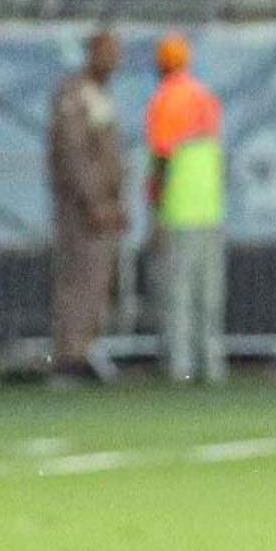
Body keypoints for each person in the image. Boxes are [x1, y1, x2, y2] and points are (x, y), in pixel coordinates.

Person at [144, 35, 227, 383]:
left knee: (178, 291)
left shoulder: (165, 100)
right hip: (210, 207)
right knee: (209, 293)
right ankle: (211, 363)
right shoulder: (205, 97)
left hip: (180, 208)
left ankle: (180, 367)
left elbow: (162, 155)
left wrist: (155, 200)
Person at [49, 28, 128, 375]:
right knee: (79, 279)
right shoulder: (77, 95)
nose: (114, 62)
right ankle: (69, 355)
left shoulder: (98, 95)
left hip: (102, 204)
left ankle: (82, 349)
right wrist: (94, 201)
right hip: (81, 209)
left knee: (96, 281)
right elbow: (74, 154)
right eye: (109, 53)